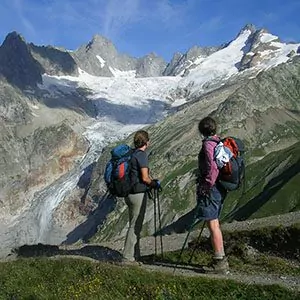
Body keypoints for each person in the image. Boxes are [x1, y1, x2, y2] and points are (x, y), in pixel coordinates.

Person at [122, 130, 160, 264]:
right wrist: (154, 183)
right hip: (138, 194)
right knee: (135, 225)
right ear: (146, 142)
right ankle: (127, 257)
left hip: (128, 193)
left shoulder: (131, 154)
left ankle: (135, 255)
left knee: (134, 223)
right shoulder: (142, 155)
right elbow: (144, 177)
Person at [196, 116, 229, 273]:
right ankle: (220, 258)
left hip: (212, 188)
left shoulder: (208, 145)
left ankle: (219, 261)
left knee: (213, 223)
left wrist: (207, 185)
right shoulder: (218, 142)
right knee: (214, 222)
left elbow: (212, 168)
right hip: (219, 187)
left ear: (202, 131)